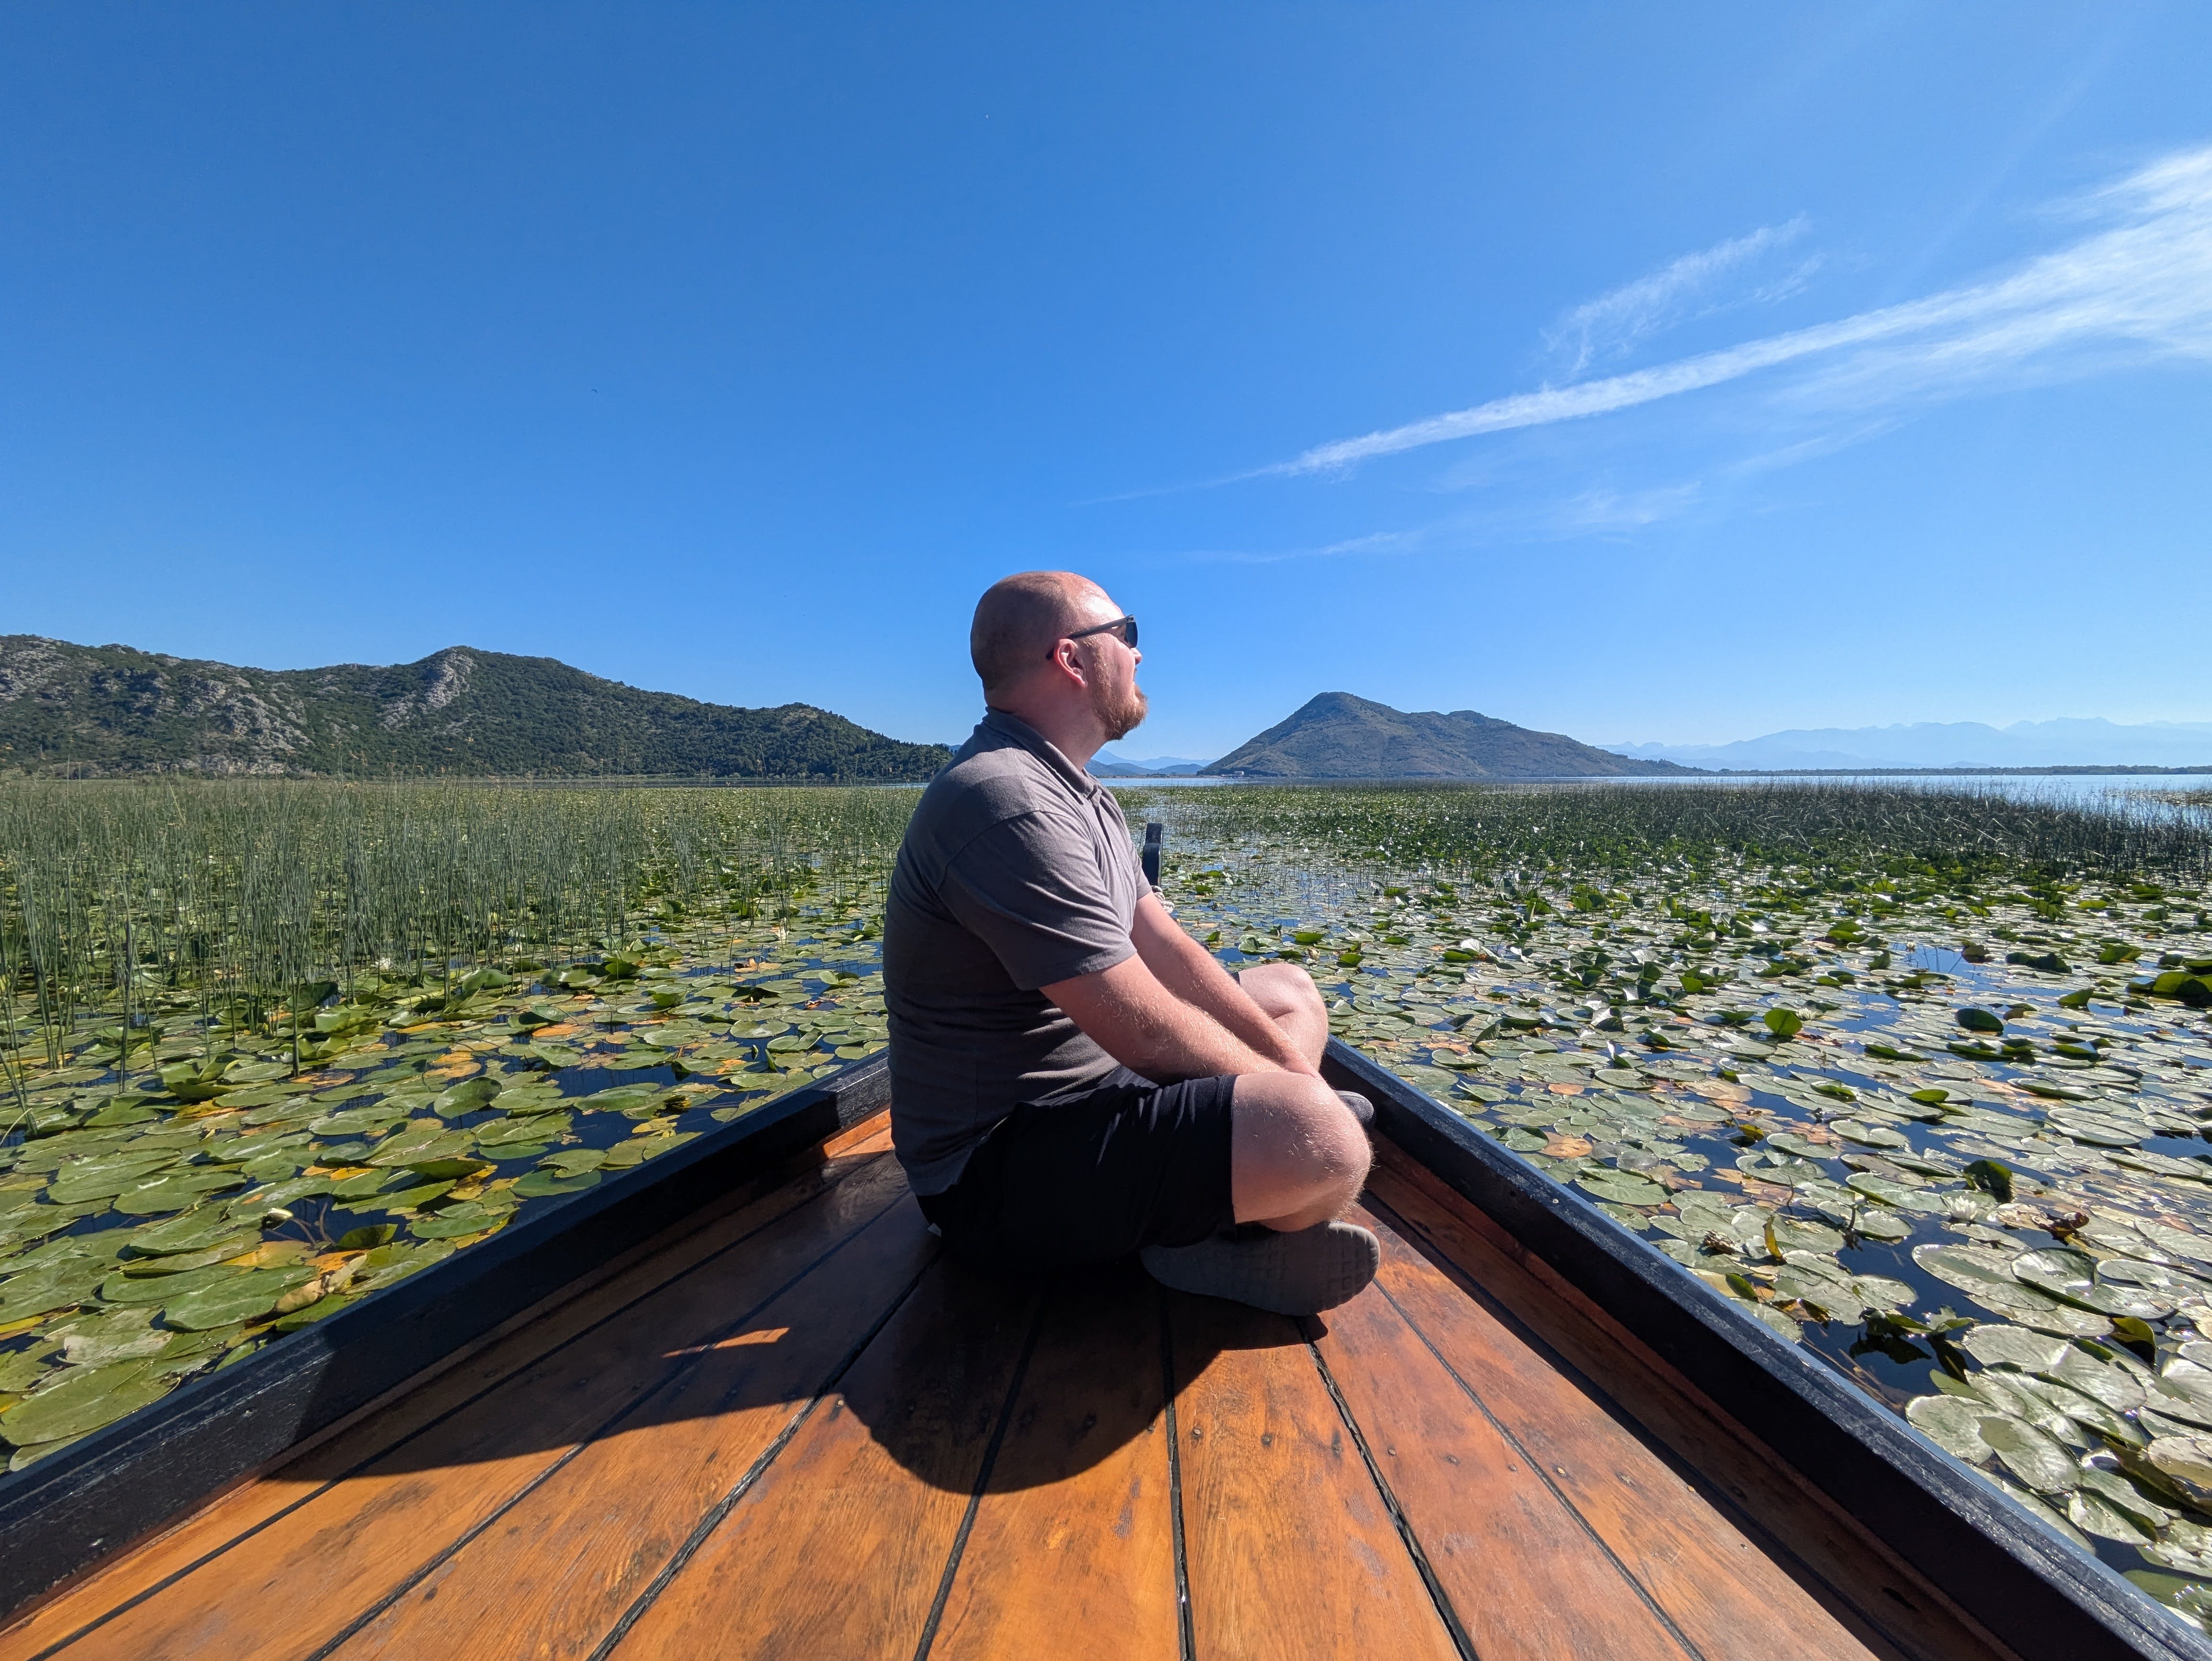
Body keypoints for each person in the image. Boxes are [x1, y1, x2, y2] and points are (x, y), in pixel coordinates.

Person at [881, 570, 1378, 1316]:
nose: (1139, 654)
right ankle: (1216, 1220)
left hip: (1096, 1089)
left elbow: (1167, 947)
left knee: (1291, 993)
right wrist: (1300, 1100)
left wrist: (1286, 1073)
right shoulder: (1003, 799)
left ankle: (1212, 1211)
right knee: (1325, 1141)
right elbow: (1140, 1025)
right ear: (1072, 659)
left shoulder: (1084, 794)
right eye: (1127, 634)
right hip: (992, 1170)